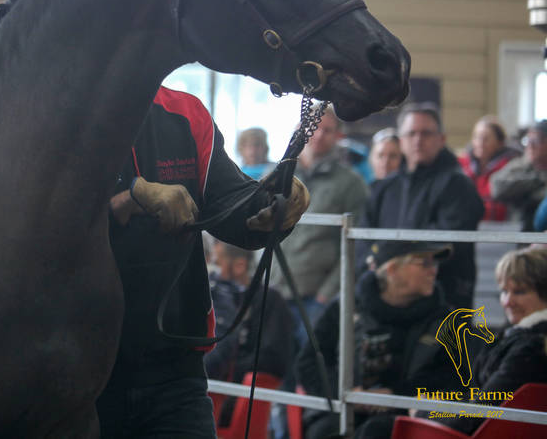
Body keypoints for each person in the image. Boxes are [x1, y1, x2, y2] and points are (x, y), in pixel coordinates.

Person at [97, 86, 310, 439]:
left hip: (176, 368)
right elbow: (37, 222)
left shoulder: (185, 112)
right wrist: (124, 200)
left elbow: (229, 202)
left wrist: (272, 204)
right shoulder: (61, 106)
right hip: (81, 369)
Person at [296, 241, 460, 439]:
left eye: (434, 263)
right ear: (392, 269)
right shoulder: (344, 307)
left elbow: (453, 379)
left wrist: (395, 395)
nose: (434, 270)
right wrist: (347, 393)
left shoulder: (447, 320)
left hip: (409, 416)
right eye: (424, 263)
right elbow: (309, 363)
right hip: (342, 409)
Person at [361, 103, 484, 309]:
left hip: (443, 299)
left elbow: (448, 239)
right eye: (411, 134)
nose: (418, 140)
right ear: (401, 141)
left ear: (441, 139)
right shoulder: (384, 187)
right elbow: (363, 235)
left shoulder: (458, 185)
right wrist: (371, 259)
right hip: (387, 296)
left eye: (426, 133)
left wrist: (386, 256)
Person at [271, 106, 369, 342]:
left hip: (315, 299)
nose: (319, 134)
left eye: (327, 130)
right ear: (299, 129)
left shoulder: (351, 184)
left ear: (338, 136)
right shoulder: (275, 175)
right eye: (313, 127)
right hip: (271, 292)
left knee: (310, 360)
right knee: (268, 362)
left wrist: (327, 294)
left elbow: (357, 244)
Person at [432, 246, 547, 434]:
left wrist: (423, 411)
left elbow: (476, 414)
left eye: (519, 292)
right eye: (504, 291)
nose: (507, 302)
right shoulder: (517, 336)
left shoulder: (530, 348)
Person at [204, 241, 296, 427]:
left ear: (239, 265)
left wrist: (227, 369)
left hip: (236, 396)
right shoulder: (212, 296)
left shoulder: (270, 301)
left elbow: (273, 358)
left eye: (218, 263)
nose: (213, 271)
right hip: (209, 388)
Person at [457, 115, 520, 222]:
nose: (480, 143)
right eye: (477, 137)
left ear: (499, 143)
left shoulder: (510, 168)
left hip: (499, 226)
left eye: (486, 138)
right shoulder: (461, 164)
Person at [490, 120, 547, 232]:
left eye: (536, 141)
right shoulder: (519, 165)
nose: (530, 146)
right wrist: (538, 180)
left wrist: (521, 193)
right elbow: (497, 187)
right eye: (527, 140)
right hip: (516, 231)